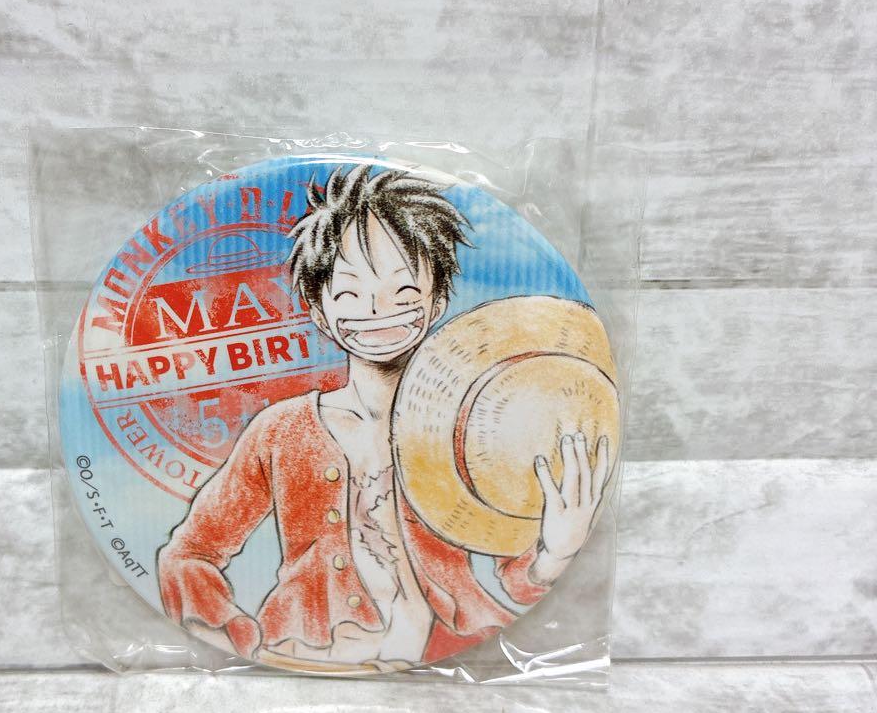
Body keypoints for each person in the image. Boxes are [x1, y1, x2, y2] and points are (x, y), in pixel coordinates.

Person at [157, 164, 609, 670]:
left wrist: (555, 552)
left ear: (437, 303)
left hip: (447, 656)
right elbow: (188, 554)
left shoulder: (475, 426)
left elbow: (515, 570)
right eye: (350, 294)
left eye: (404, 293)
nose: (376, 311)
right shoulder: (280, 432)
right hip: (305, 655)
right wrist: (240, 638)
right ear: (319, 309)